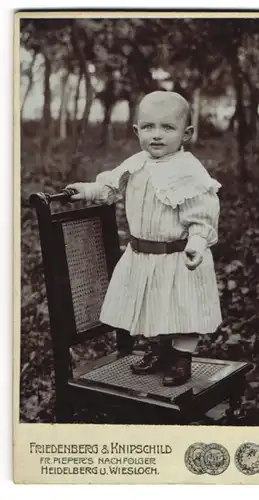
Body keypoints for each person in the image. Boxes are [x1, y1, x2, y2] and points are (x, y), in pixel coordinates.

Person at [66, 90, 222, 386]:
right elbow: (110, 187)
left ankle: (181, 358)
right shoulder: (135, 163)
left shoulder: (189, 172)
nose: (157, 135)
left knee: (182, 308)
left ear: (186, 133)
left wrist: (197, 244)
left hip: (179, 256)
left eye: (168, 127)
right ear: (137, 130)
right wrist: (86, 190)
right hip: (142, 255)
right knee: (150, 305)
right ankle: (158, 350)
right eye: (149, 127)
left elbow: (203, 215)